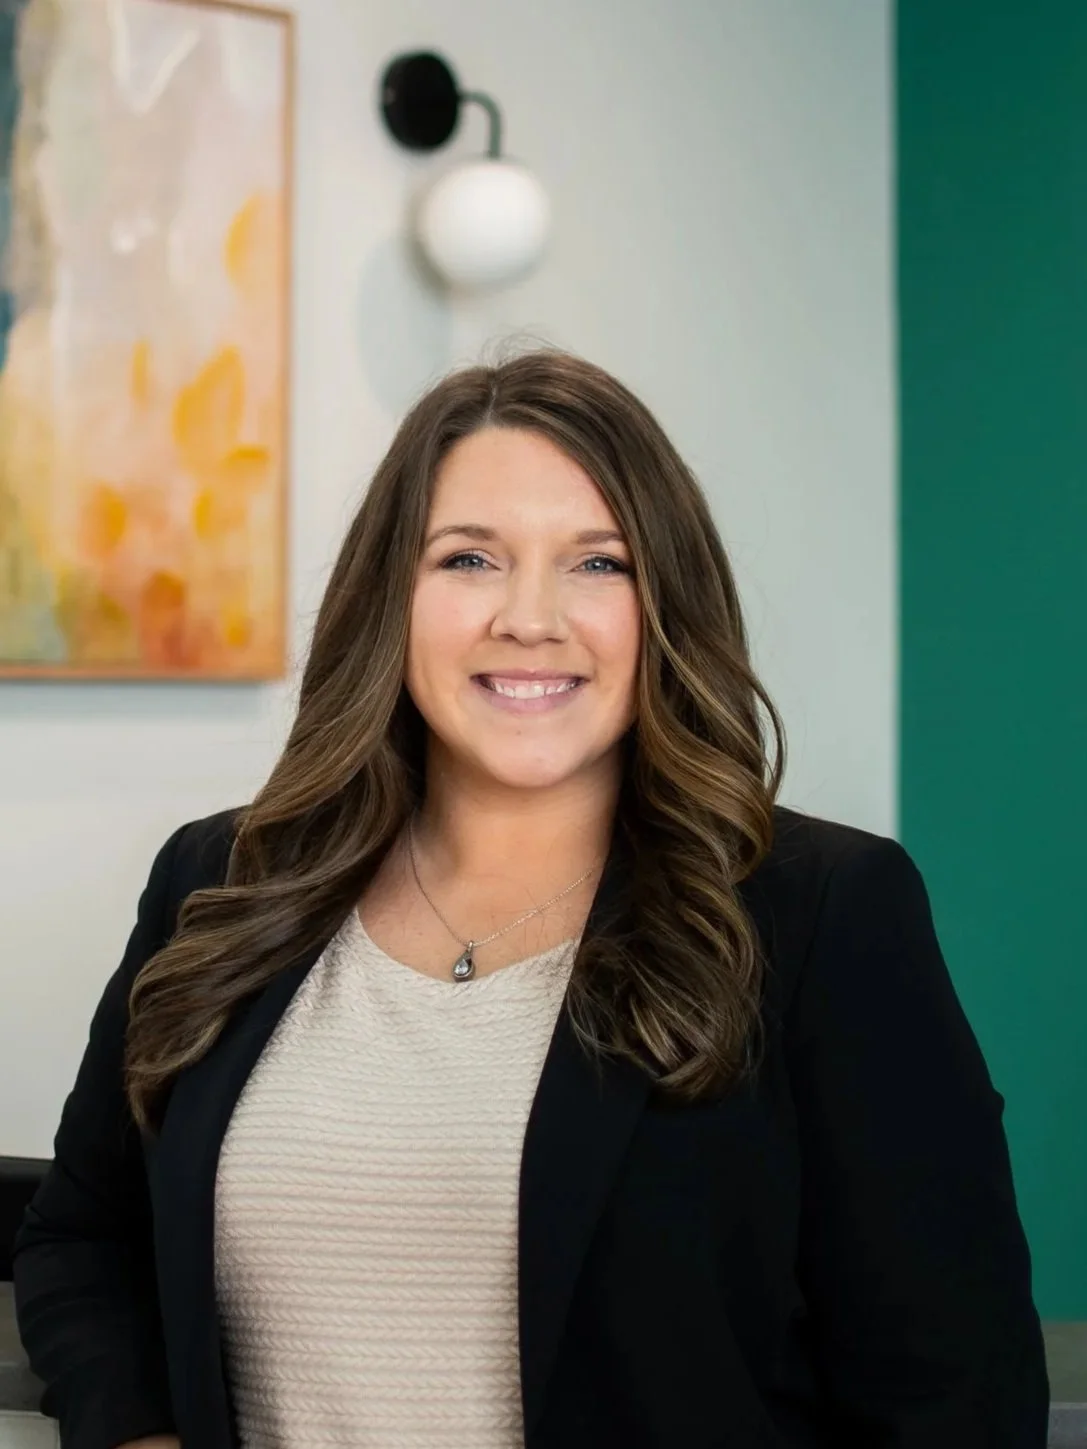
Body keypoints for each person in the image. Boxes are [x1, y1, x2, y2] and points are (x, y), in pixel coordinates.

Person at [13, 350, 1048, 1449]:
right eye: (468, 559)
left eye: (598, 564)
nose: (530, 617)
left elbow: (954, 1392)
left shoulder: (823, 916)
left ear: (664, 605)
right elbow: (84, 1240)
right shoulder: (222, 883)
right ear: (389, 598)